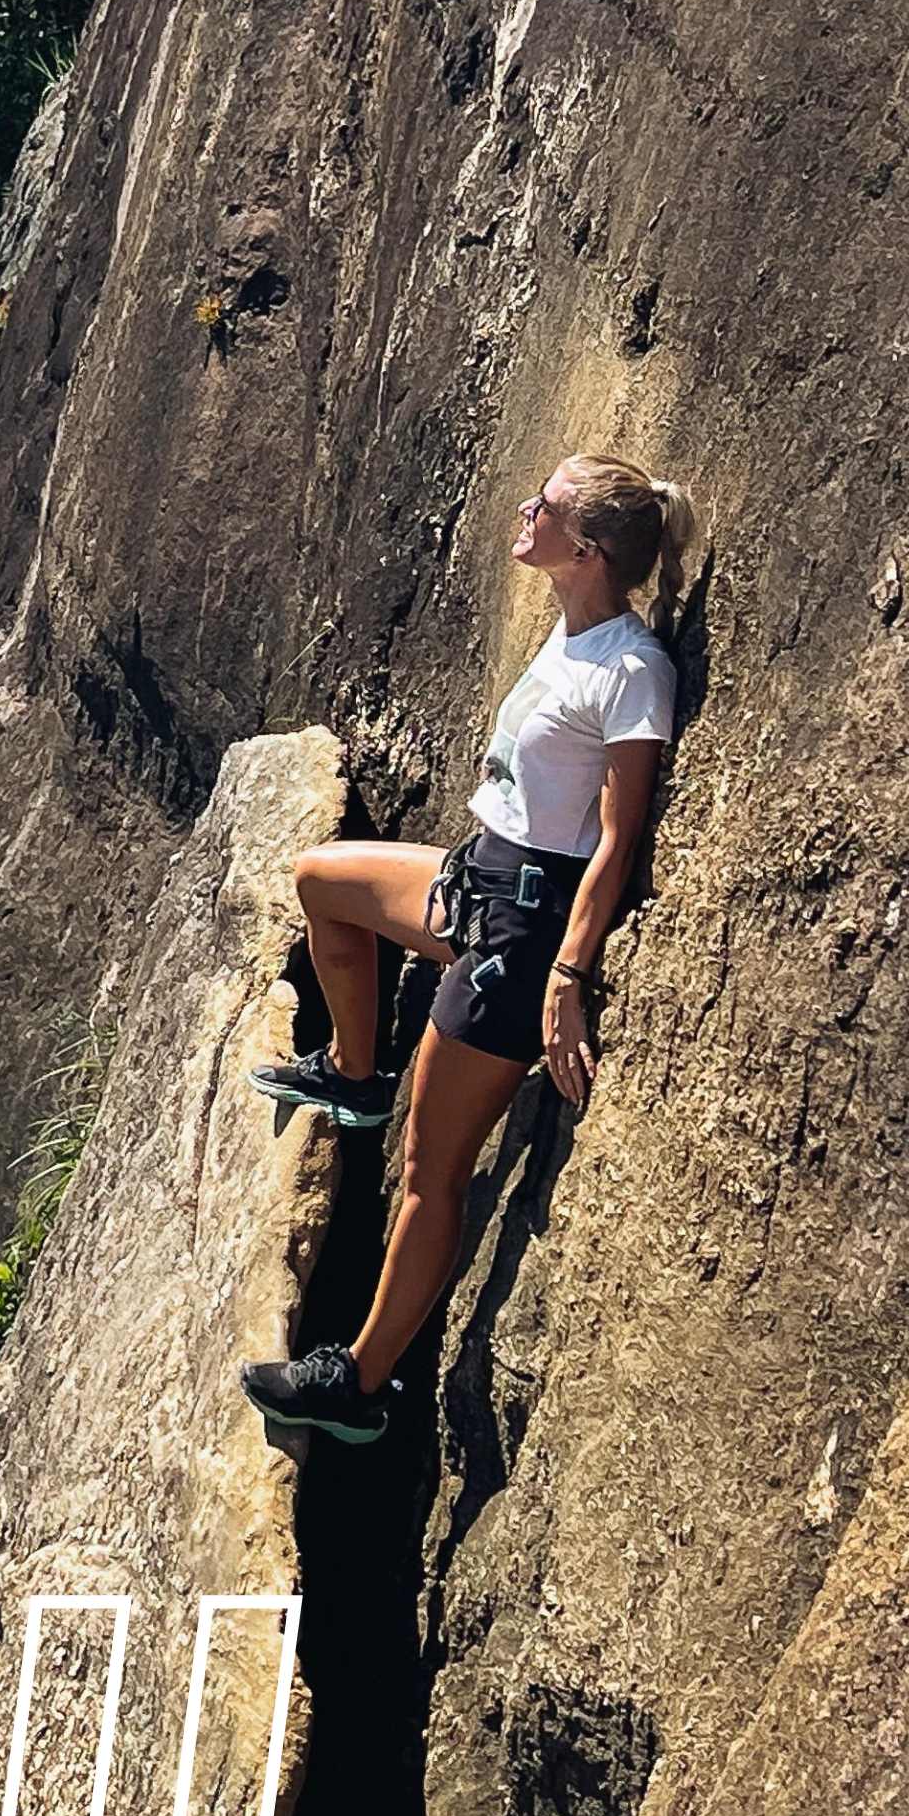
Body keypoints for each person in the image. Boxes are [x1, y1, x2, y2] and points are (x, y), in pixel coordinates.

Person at [236, 452, 694, 1445]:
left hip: (519, 934)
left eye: (547, 506)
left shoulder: (629, 671)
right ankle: (355, 1073)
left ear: (586, 548)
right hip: (477, 875)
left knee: (426, 1171)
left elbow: (617, 839)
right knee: (324, 881)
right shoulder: (570, 635)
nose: (524, 511)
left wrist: (566, 977)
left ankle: (356, 1385)